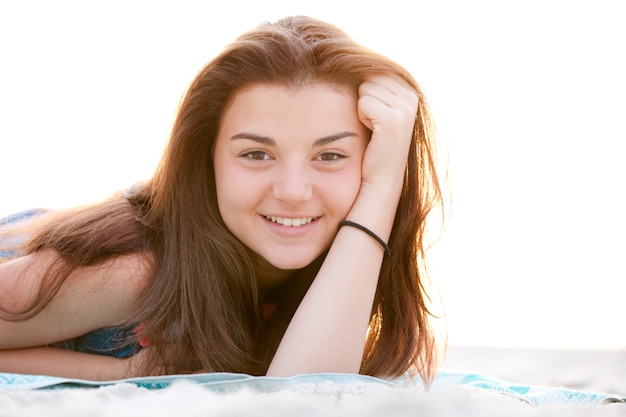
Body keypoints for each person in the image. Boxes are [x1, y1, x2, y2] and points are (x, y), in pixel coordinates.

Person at [0, 16, 444, 384]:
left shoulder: (332, 270)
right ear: (206, 160)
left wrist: (385, 186)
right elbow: (307, 399)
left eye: (330, 155)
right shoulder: (134, 272)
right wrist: (117, 374)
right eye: (256, 154)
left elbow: (311, 385)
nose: (292, 191)